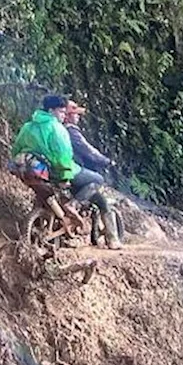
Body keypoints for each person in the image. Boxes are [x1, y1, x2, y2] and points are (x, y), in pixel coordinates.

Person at [10, 95, 121, 250]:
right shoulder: (58, 129)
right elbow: (63, 157)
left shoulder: (28, 127)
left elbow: (15, 150)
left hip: (32, 171)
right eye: (61, 112)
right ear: (51, 111)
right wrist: (65, 177)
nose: (64, 115)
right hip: (58, 172)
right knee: (98, 179)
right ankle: (74, 206)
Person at [63, 101, 113, 172]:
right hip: (74, 167)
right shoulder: (71, 131)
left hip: (72, 165)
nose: (78, 116)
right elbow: (86, 149)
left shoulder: (65, 128)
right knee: (98, 179)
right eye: (75, 113)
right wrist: (105, 161)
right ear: (67, 116)